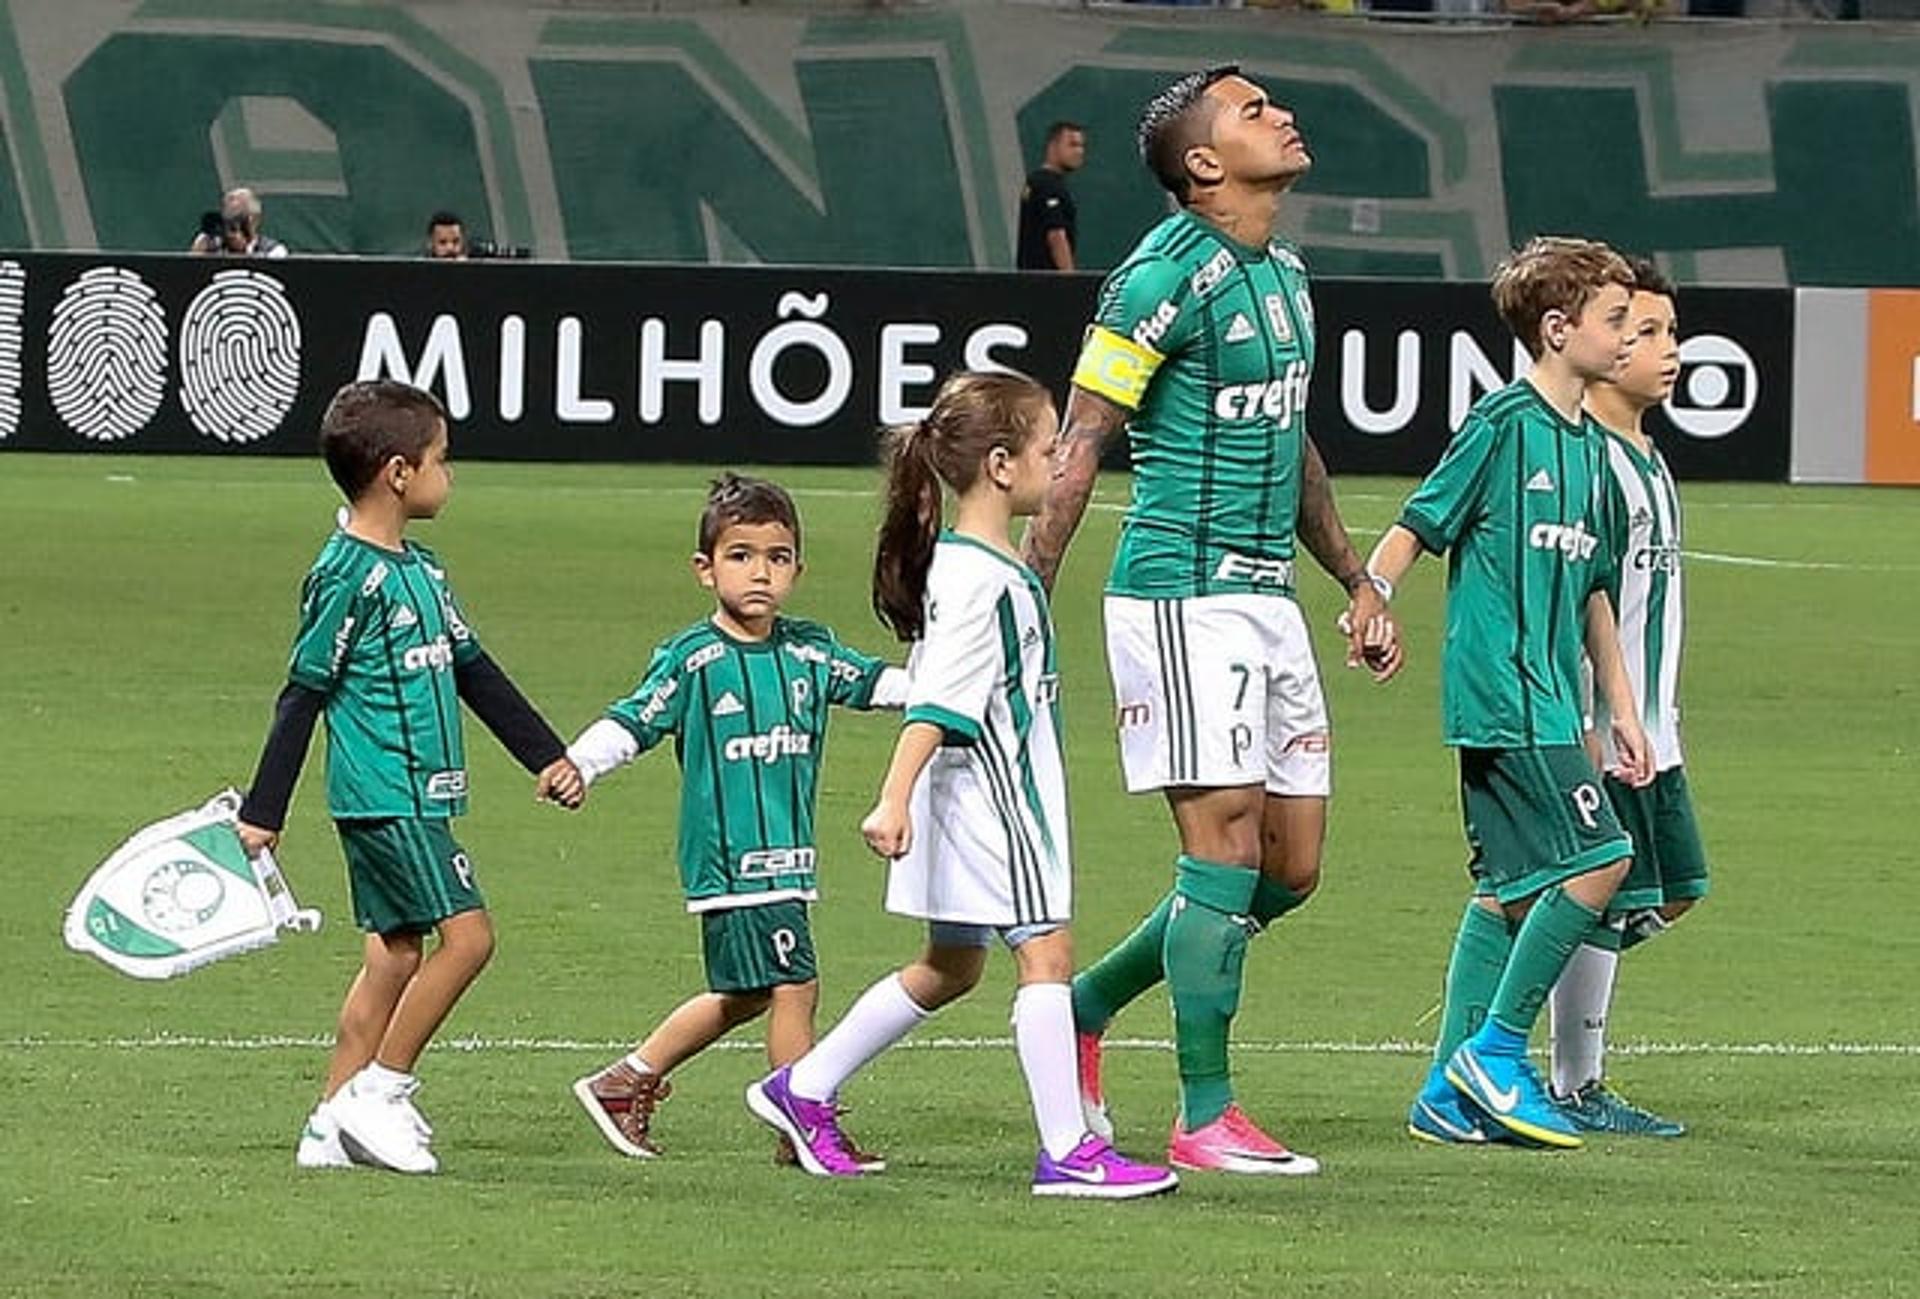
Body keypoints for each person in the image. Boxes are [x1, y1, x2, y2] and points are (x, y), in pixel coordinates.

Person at [1019, 65, 1397, 1177]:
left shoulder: (1284, 273)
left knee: (1289, 868)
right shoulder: (1153, 281)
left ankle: (1085, 1005)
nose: (1281, 113)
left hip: (1268, 598)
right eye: (1251, 110)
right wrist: (1024, 593)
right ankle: (1205, 1110)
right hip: (1181, 593)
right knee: (1222, 835)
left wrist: (1354, 580)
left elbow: (1294, 441)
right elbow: (1082, 441)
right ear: (1201, 163)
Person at [745, 371, 1177, 1199]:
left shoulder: (979, 562)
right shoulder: (981, 579)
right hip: (995, 796)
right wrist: (893, 794)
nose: (1062, 460)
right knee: (1046, 952)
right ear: (1004, 464)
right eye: (1051, 447)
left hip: (972, 793)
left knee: (951, 963)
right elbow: (938, 698)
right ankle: (1068, 1150)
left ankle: (802, 1087)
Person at [235, 379, 584, 1175]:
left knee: (395, 954)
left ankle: (329, 1121)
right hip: (386, 795)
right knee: (470, 937)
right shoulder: (345, 574)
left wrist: (547, 753)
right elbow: (304, 689)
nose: (449, 474)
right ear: (398, 472)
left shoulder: (422, 572)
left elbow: (475, 669)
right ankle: (379, 1093)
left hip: (416, 794)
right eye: (441, 459)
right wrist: (265, 808)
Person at [1362, 236, 1655, 1150]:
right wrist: (1373, 596)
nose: (1627, 333)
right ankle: (1494, 1051)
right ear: (1559, 329)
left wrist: (1621, 710)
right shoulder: (1501, 425)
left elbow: (1596, 589)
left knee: (1508, 893)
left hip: (1550, 703)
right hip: (1501, 693)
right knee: (1601, 858)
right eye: (1615, 319)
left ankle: (1442, 1097)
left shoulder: (1590, 450)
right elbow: (1419, 522)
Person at [560, 473, 906, 1164]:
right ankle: (804, 1125)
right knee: (794, 984)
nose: (760, 573)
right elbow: (637, 717)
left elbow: (878, 684)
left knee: (747, 991)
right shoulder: (695, 658)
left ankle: (627, 1080)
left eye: (777, 557)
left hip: (787, 856)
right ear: (705, 568)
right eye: (741, 555)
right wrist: (582, 762)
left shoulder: (809, 649)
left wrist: (954, 690)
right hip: (733, 855)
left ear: (797, 569)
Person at [1546, 256, 1701, 1138]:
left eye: (1670, 331)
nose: (1664, 349)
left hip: (1655, 726)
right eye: (1643, 331)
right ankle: (1576, 1077)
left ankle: (1542, 975)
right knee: (1604, 893)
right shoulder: (1592, 462)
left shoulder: (1649, 456)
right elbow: (1582, 599)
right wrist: (1599, 719)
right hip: (1603, 729)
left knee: (1676, 888)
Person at [1015, 121, 1086, 271]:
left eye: (1081, 146)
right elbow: (1056, 235)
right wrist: (1070, 280)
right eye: (1072, 145)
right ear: (1053, 146)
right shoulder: (1046, 184)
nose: (1079, 151)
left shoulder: (1040, 182)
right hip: (1045, 285)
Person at [189, 187, 288, 258]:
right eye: (227, 219)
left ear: (253, 220)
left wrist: (243, 253)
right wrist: (198, 253)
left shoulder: (273, 251)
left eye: (239, 219)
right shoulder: (212, 246)